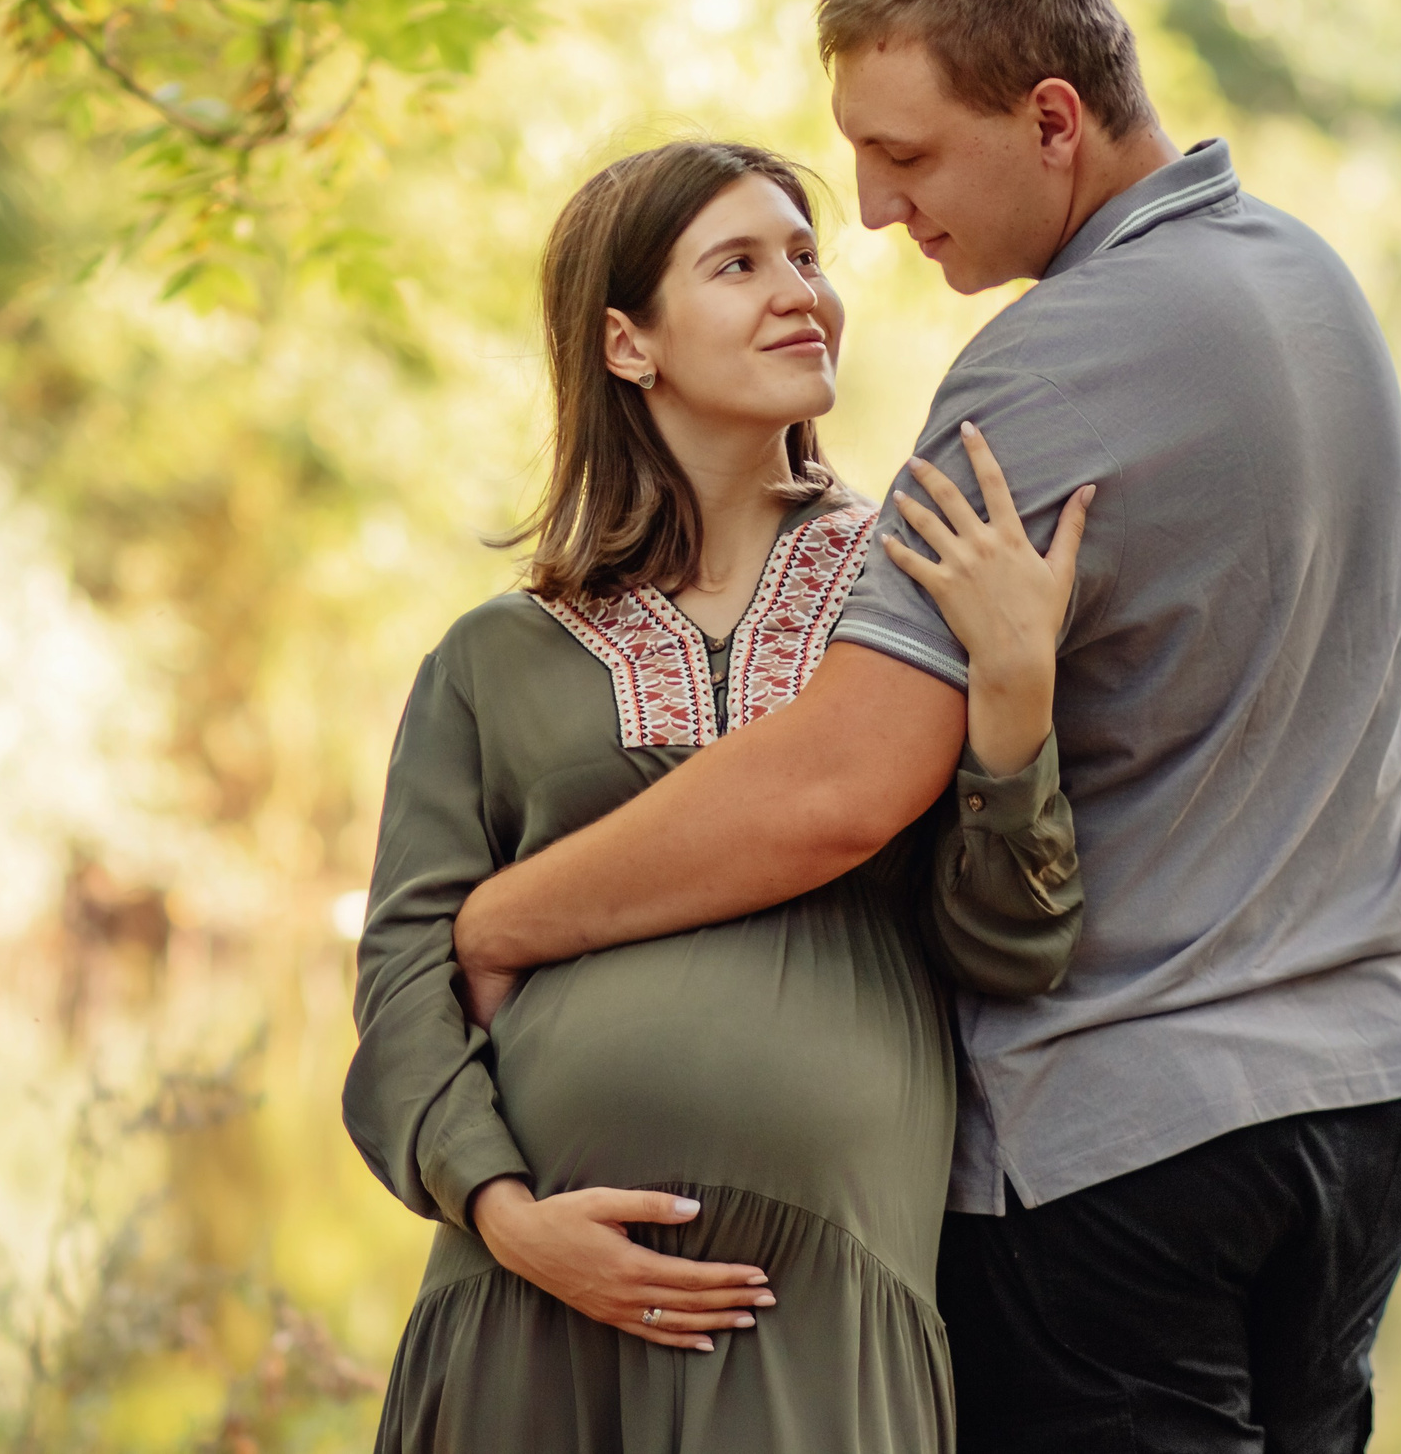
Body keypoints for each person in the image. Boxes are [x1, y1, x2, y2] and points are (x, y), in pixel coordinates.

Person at [454, 0, 1401, 1453]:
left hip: (1130, 1150)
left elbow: (841, 784)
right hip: (1366, 1098)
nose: (868, 215)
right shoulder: (1309, 285)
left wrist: (509, 910)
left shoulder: (1061, 358)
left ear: (1053, 120)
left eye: (905, 157)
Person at [343, 138, 1095, 1453]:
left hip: (819, 1306)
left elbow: (1013, 947)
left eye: (807, 257)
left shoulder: (923, 594)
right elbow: (404, 980)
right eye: (740, 265)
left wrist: (1014, 704)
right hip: (532, 1297)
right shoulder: (493, 660)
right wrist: (510, 1216)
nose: (799, 289)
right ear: (629, 344)